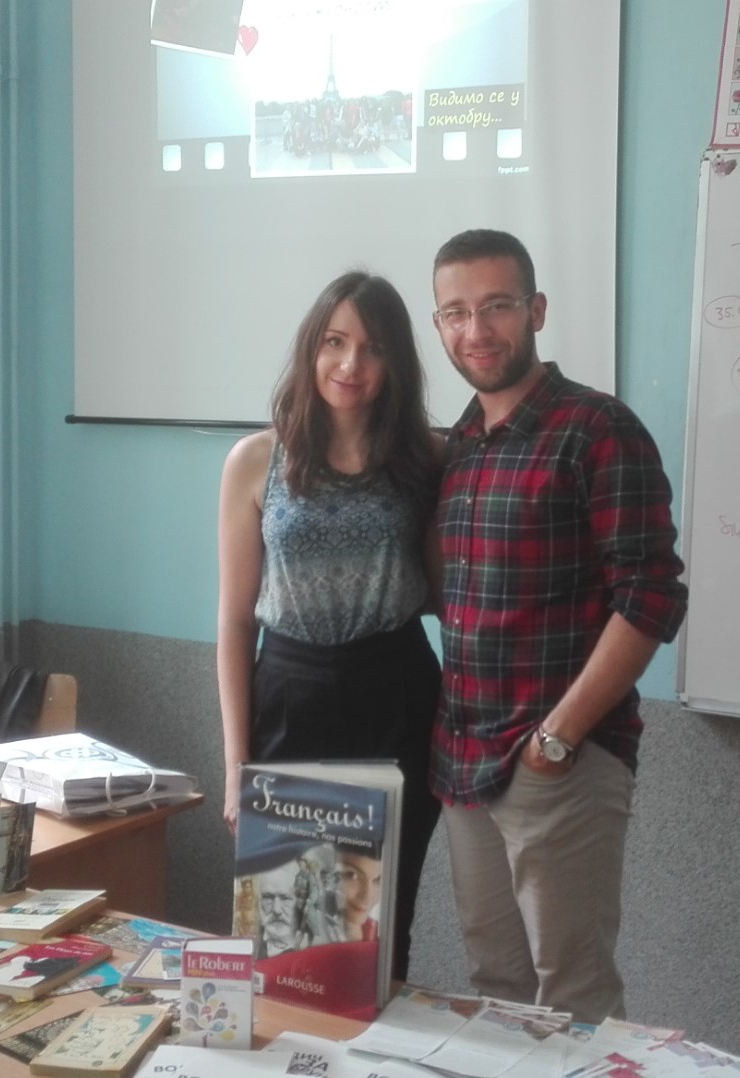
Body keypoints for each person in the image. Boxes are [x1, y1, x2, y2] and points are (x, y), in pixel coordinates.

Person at [427, 229, 688, 1024]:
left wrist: (558, 739)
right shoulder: (456, 448)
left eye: (497, 306)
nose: (477, 330)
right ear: (438, 326)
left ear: (536, 310)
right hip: (465, 766)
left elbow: (651, 596)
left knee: (574, 999)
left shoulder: (598, 429)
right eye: (456, 313)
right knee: (496, 987)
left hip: (557, 764)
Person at [216, 270, 445, 982]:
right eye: (335, 343)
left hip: (396, 694)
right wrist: (235, 763)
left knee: (378, 933)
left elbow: (445, 592)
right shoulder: (257, 460)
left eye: (373, 349)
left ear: (396, 363)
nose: (351, 365)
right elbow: (234, 622)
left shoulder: (427, 459)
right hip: (291, 697)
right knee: (289, 937)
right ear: (311, 348)